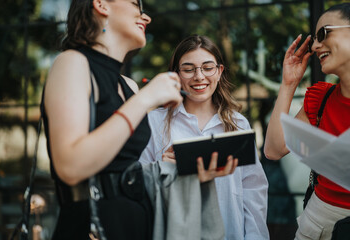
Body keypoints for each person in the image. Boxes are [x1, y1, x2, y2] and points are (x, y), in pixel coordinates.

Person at [42, 1, 236, 239]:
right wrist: (146, 99)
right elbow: (70, 167)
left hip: (137, 225)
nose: (146, 18)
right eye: (136, 4)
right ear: (101, 4)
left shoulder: (129, 86)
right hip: (93, 227)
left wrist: (177, 170)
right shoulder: (72, 62)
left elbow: (123, 173)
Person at [139, 35, 269, 240]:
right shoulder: (153, 123)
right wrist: (162, 169)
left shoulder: (238, 124)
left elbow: (254, 190)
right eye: (188, 69)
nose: (199, 76)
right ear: (176, 75)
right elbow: (138, 185)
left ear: (219, 71)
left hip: (231, 231)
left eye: (207, 67)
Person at [264, 3, 350, 240]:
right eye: (314, 38)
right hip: (318, 222)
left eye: (323, 33)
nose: (314, 45)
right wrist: (288, 83)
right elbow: (273, 150)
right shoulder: (319, 97)